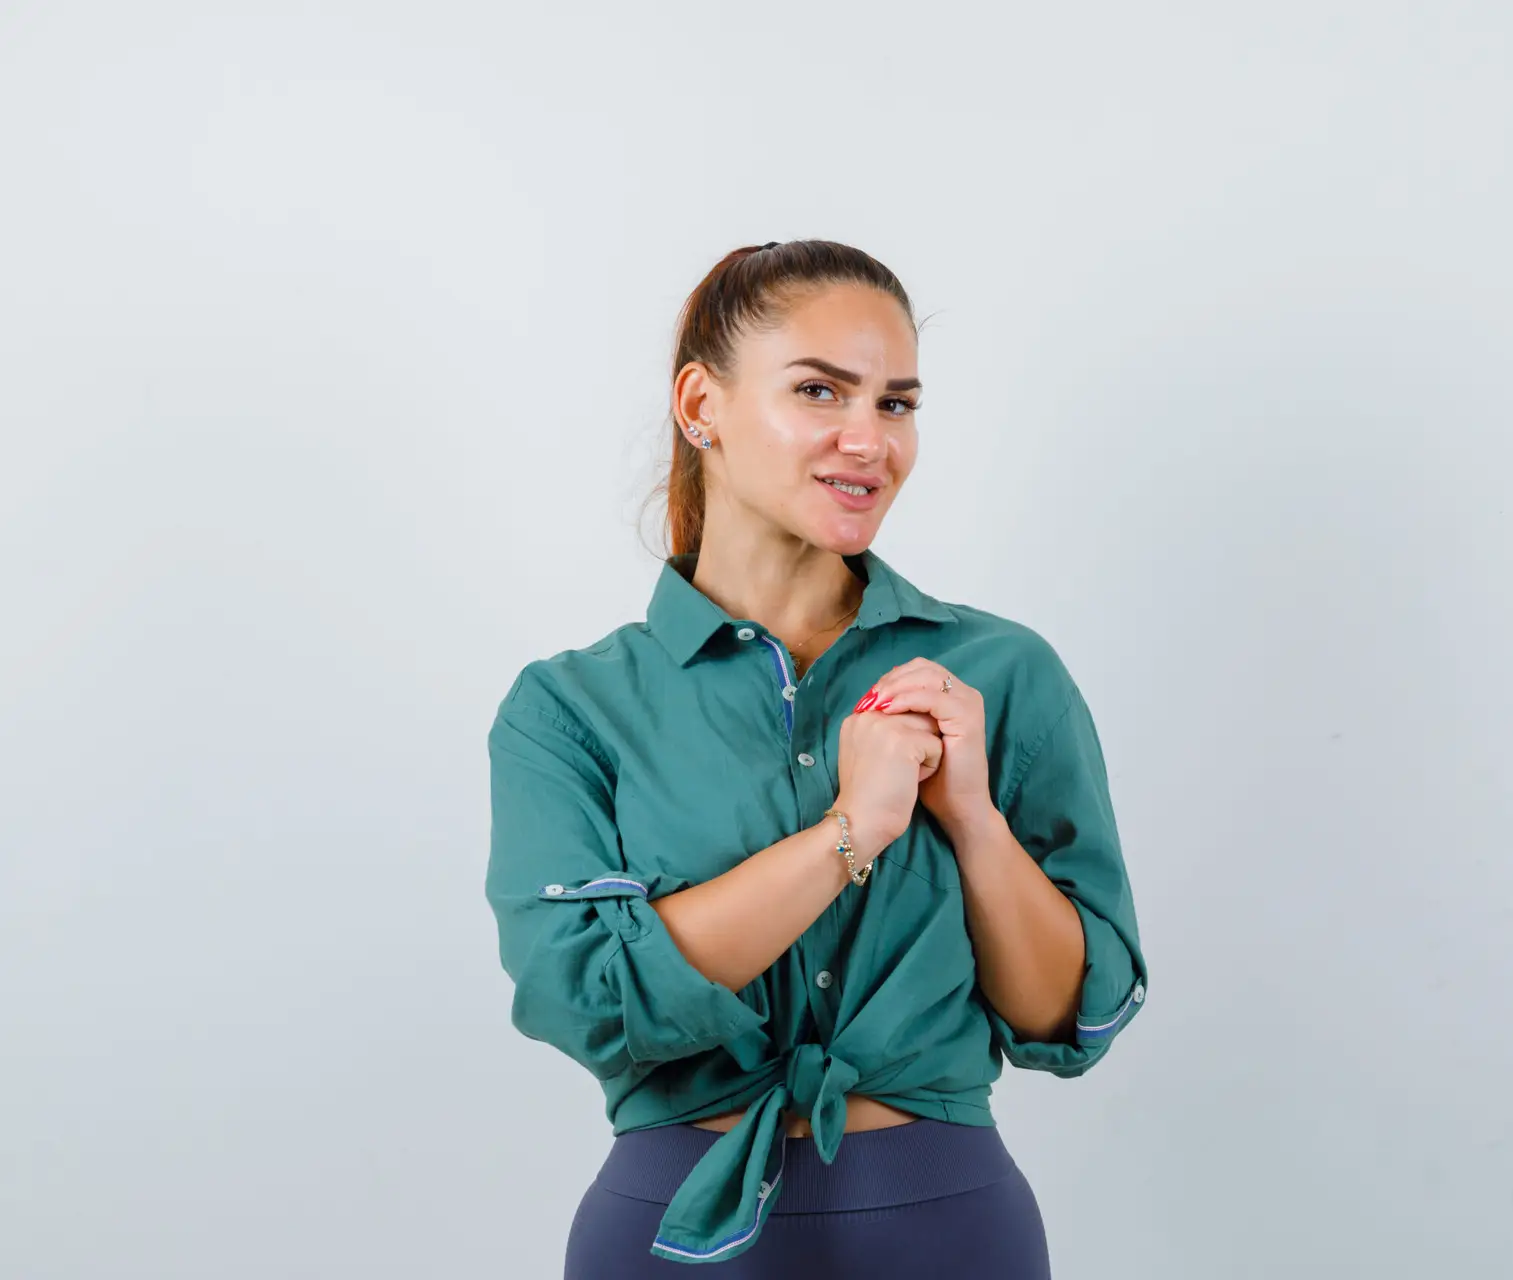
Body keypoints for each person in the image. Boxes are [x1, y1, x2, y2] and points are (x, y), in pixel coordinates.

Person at [484, 239, 1148, 1277]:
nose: (868, 438)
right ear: (701, 404)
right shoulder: (570, 709)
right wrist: (853, 829)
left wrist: (971, 818)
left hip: (948, 1229)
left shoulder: (999, 675)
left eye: (896, 403)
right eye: (819, 391)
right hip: (670, 1236)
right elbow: (588, 1000)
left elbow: (1068, 1014)